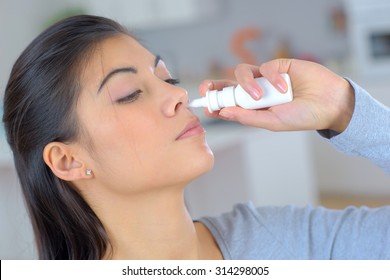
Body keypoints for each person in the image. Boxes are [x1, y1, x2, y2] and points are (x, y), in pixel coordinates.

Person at [2, 15, 390, 260]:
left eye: (167, 78)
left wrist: (344, 108)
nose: (178, 94)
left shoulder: (279, 240)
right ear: (68, 160)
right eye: (129, 93)